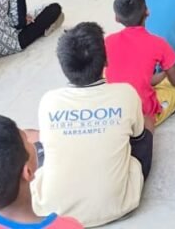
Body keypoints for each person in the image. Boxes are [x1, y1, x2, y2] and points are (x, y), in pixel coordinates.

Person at [32, 22, 151, 227]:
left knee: (36, 143)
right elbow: (138, 137)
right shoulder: (125, 93)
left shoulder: (49, 101)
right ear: (106, 60)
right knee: (146, 125)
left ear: (63, 66)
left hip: (54, 210)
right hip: (119, 205)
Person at [105, 0, 175, 130]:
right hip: (143, 112)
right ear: (147, 12)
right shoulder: (158, 43)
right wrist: (165, 72)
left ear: (117, 18)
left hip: (113, 110)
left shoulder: (107, 41)